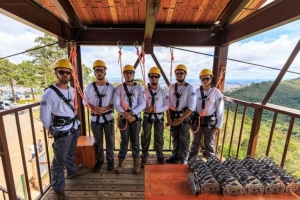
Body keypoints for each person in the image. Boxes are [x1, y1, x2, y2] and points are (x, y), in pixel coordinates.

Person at [40, 59, 87, 200]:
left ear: (71, 74)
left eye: (68, 72)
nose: (65, 74)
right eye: (62, 72)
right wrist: (55, 130)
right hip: (62, 131)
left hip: (73, 128)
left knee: (70, 154)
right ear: (56, 73)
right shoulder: (49, 93)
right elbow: (44, 116)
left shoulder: (72, 91)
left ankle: (72, 171)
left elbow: (80, 103)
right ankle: (58, 190)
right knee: (58, 162)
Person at [113, 64, 146, 174]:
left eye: (130, 73)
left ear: (133, 74)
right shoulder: (119, 89)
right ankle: (121, 161)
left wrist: (131, 113)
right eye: (126, 73)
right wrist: (125, 114)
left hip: (135, 118)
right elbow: (116, 104)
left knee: (135, 141)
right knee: (124, 140)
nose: (128, 75)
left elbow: (143, 103)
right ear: (124, 75)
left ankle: (136, 162)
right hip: (124, 118)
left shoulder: (139, 88)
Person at [83, 60, 115, 172]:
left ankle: (110, 160)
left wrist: (105, 108)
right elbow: (85, 101)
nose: (99, 73)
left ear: (105, 72)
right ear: (94, 72)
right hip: (95, 118)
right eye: (97, 70)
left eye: (101, 70)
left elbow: (115, 103)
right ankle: (100, 160)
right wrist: (93, 108)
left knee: (110, 140)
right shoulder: (90, 87)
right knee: (98, 141)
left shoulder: (111, 87)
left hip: (108, 118)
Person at [189, 69, 224, 159]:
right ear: (200, 80)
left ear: (211, 79)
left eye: (207, 79)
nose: (205, 81)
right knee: (196, 142)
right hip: (198, 120)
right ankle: (192, 159)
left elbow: (220, 110)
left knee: (209, 143)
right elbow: (192, 106)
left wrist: (218, 124)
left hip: (210, 122)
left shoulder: (216, 93)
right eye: (203, 79)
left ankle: (212, 161)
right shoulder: (196, 92)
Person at [166, 64, 196, 164]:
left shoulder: (190, 88)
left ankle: (184, 159)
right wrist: (169, 118)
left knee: (184, 138)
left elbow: (191, 107)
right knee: (175, 137)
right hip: (173, 116)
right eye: (177, 73)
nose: (179, 75)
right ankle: (175, 155)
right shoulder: (171, 87)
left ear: (185, 74)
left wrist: (180, 119)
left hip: (183, 118)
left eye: (181, 73)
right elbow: (167, 104)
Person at [140, 67, 169, 167]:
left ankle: (160, 156)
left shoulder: (163, 92)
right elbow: (141, 103)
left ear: (158, 78)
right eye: (151, 76)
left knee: (159, 138)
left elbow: (167, 105)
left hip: (158, 117)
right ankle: (144, 157)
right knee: (145, 137)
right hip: (147, 116)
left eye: (156, 77)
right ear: (149, 78)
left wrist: (158, 109)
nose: (153, 78)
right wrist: (145, 109)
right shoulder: (144, 92)